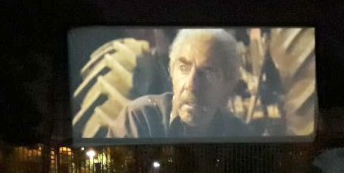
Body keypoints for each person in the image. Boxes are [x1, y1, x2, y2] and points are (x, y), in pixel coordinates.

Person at [108, 29, 253, 139]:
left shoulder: (240, 133)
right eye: (183, 68)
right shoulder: (139, 120)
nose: (191, 85)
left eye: (207, 73)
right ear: (171, 72)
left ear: (228, 84)